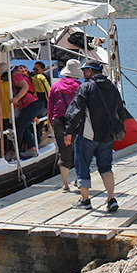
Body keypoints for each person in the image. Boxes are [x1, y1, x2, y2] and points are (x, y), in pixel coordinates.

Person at [63, 60, 124, 213]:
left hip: (88, 135)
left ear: (90, 71)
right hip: (107, 136)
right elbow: (120, 110)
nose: (83, 73)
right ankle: (111, 199)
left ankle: (85, 200)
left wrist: (68, 131)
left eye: (84, 70)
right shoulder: (112, 87)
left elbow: (76, 111)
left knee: (82, 166)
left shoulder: (86, 87)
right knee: (106, 167)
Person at [47, 59, 83, 192]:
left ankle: (65, 184)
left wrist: (52, 122)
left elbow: (50, 108)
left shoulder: (55, 87)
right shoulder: (79, 86)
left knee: (63, 151)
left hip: (58, 120)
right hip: (75, 120)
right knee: (78, 149)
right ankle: (79, 179)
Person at [11, 64, 45, 159]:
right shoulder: (24, 76)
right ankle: (31, 147)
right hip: (35, 104)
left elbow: (25, 87)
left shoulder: (16, 75)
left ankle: (15, 151)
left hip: (32, 104)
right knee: (23, 124)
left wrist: (16, 98)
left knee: (19, 126)